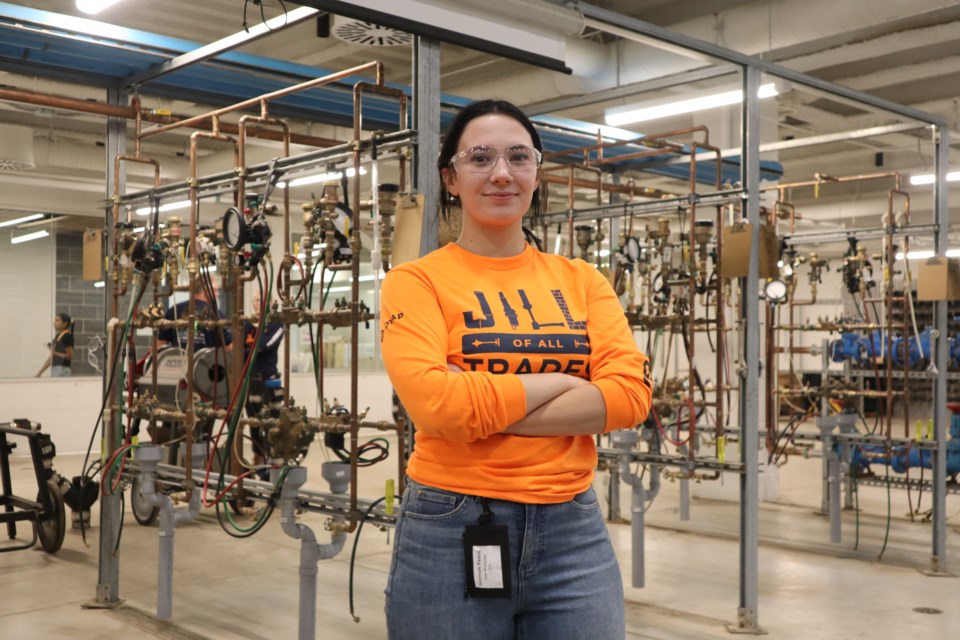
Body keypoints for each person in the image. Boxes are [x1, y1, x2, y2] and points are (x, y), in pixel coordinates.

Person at [379, 99, 653, 640]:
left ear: (536, 172)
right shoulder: (416, 282)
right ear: (450, 178)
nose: (501, 173)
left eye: (518, 157)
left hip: (573, 527)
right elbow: (436, 407)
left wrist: (477, 404)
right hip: (449, 524)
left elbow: (629, 399)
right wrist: (564, 384)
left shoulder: (583, 280)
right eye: (479, 158)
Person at [243, 290, 284, 476]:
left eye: (261, 300)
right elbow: (237, 349)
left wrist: (251, 344)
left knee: (272, 424)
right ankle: (259, 463)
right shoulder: (246, 324)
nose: (257, 304)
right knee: (254, 424)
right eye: (255, 300)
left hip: (269, 383)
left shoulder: (276, 323)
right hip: (250, 381)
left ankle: (274, 464)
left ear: (269, 303)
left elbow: (265, 346)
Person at [36, 313, 74, 377]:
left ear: (65, 323)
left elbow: (69, 356)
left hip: (63, 369)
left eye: (57, 320)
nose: (54, 323)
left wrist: (54, 353)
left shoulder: (67, 337)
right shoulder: (57, 337)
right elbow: (50, 358)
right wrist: (39, 373)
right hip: (55, 369)